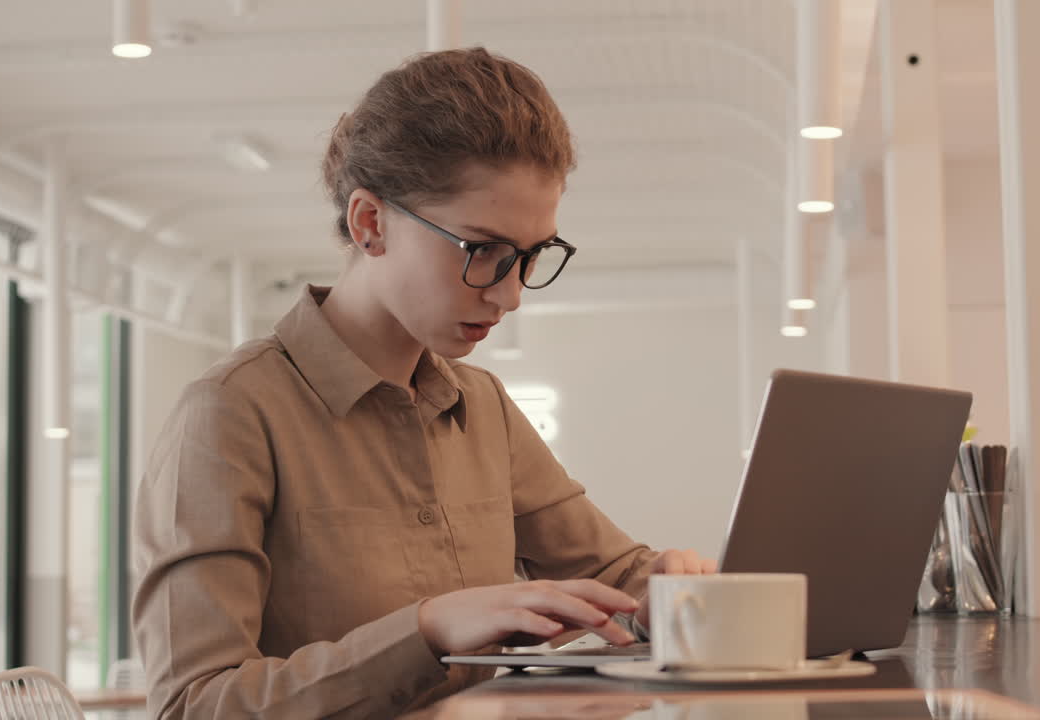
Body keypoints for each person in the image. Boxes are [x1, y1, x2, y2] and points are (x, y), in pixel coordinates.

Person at [132, 47, 715, 720]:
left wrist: (669, 590)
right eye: (483, 252)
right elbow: (193, 706)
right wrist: (428, 630)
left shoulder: (483, 407)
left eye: (531, 257)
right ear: (370, 224)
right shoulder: (229, 414)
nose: (511, 295)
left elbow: (615, 577)